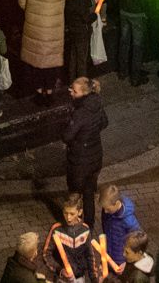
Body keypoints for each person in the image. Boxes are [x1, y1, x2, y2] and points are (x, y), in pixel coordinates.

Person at [20, 0, 90, 99]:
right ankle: (49, 93)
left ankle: (39, 93)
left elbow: (21, 3)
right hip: (50, 34)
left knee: (37, 63)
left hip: (33, 31)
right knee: (50, 64)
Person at [61, 77, 108, 217]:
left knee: (75, 194)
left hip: (79, 161)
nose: (70, 92)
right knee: (89, 193)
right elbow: (105, 122)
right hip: (95, 157)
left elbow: (67, 136)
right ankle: (89, 223)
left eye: (74, 91)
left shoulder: (80, 113)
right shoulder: (97, 104)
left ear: (83, 93)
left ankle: (74, 225)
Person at [44, 194, 105, 282]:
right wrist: (59, 270)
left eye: (72, 214)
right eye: (65, 213)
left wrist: (94, 278)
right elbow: (46, 254)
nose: (68, 218)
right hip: (63, 279)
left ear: (79, 212)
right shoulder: (56, 229)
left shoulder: (85, 229)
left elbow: (90, 256)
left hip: (80, 277)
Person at [97, 186, 141, 274]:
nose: (105, 212)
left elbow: (137, 242)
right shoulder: (107, 211)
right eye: (104, 208)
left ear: (117, 203)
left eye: (108, 209)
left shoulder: (129, 221)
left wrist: (126, 262)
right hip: (108, 254)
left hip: (121, 260)